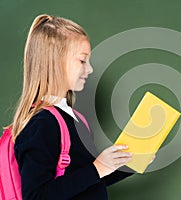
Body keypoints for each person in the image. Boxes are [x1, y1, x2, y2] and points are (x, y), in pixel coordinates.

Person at [11, 14, 134, 200]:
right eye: (82, 60)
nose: (90, 69)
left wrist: (127, 164)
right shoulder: (41, 124)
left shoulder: (74, 118)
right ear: (56, 62)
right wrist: (97, 168)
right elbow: (36, 196)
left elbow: (83, 182)